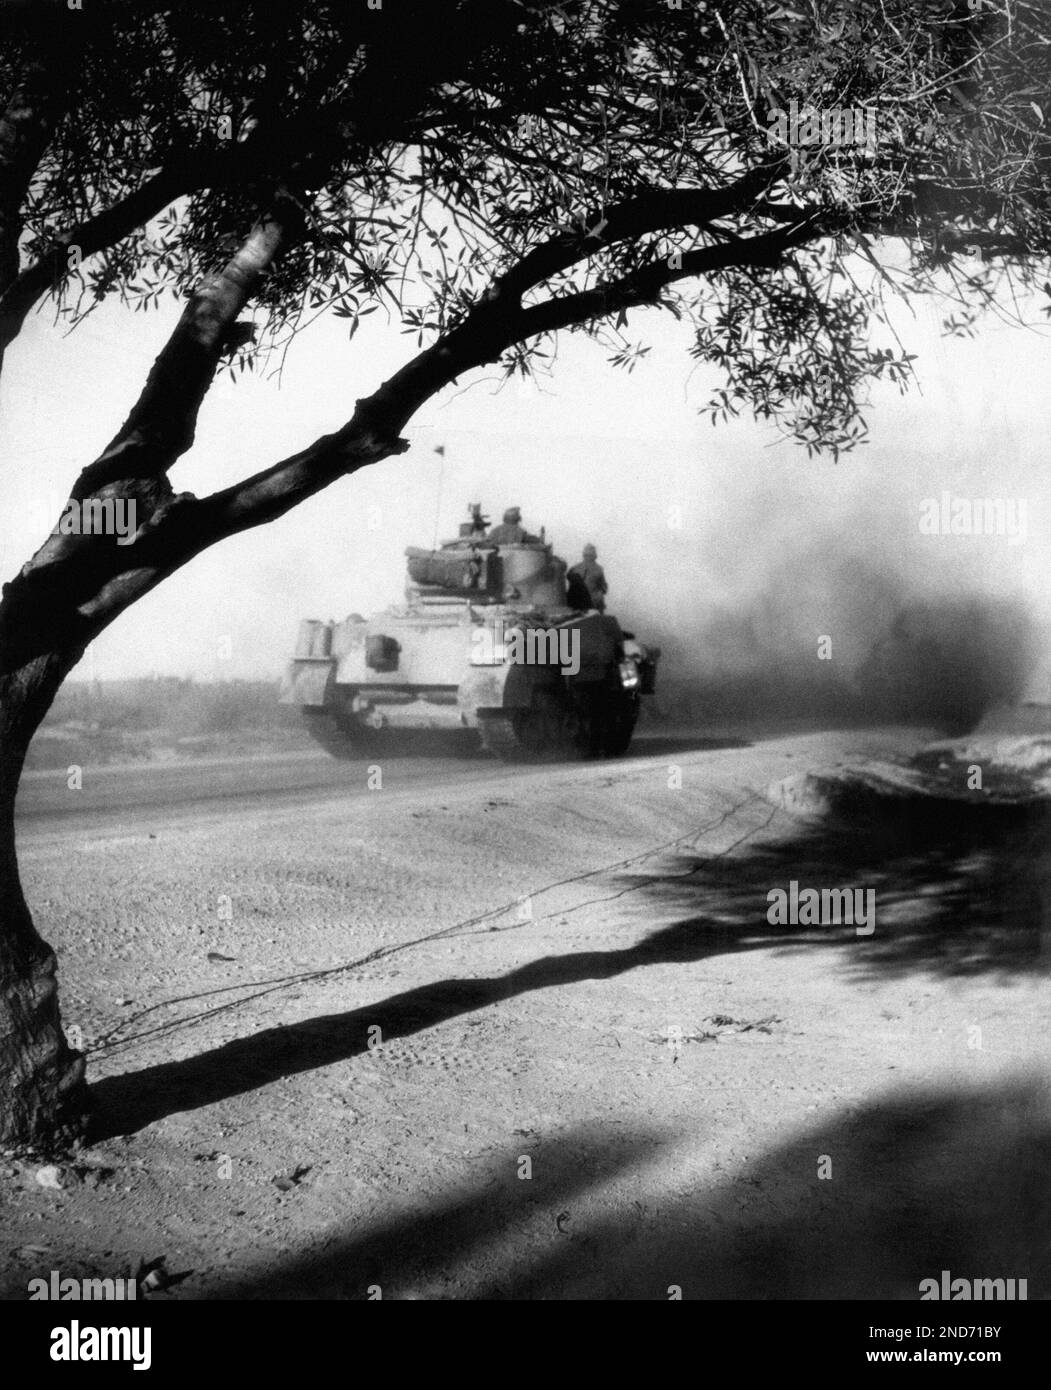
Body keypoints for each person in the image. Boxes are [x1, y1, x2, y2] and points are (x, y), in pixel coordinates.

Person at [568, 543, 607, 611]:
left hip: (593, 604)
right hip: (579, 604)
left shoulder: (599, 569)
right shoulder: (575, 568)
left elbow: (603, 587)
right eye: (587, 555)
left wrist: (600, 594)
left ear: (594, 556)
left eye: (590, 555)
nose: (588, 557)